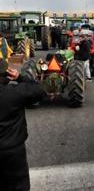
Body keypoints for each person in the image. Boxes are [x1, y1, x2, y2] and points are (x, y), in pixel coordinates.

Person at [0, 59, 46, 190]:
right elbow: (40, 90)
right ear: (6, 74)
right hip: (13, 153)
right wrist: (20, 77)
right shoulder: (15, 92)